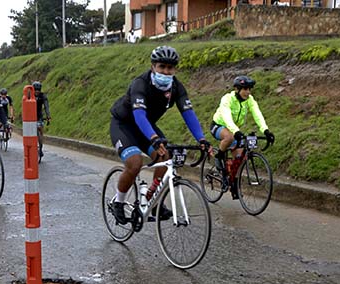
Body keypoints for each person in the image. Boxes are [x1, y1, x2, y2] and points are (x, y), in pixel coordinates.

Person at [109, 45, 212, 224]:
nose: (165, 71)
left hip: (147, 127)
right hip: (124, 125)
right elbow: (139, 115)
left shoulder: (176, 88)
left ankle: (153, 200)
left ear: (175, 69)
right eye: (161, 67)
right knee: (135, 163)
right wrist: (154, 138)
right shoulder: (140, 83)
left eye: (170, 68)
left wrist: (202, 139)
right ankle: (118, 201)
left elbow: (188, 114)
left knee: (166, 157)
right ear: (153, 67)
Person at [210, 74, 275, 188]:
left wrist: (265, 130)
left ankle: (233, 181)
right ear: (236, 89)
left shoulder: (249, 100)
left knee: (239, 158)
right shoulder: (227, 98)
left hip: (234, 129)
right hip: (218, 125)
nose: (248, 92)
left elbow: (257, 114)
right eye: (245, 89)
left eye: (249, 89)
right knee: (229, 137)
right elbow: (226, 117)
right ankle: (219, 156)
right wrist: (236, 131)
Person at [32, 81, 51, 157]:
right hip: (31, 116)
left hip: (39, 116)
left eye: (38, 90)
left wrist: (48, 116)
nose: (37, 91)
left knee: (40, 130)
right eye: (35, 90)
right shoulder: (29, 95)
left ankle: (40, 147)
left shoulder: (43, 96)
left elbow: (46, 106)